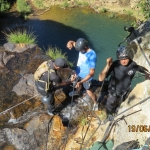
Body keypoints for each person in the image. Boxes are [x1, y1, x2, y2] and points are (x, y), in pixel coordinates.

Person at [99, 46, 150, 115]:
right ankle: (109, 117)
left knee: (120, 107)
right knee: (109, 107)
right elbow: (101, 78)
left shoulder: (134, 65)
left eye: (126, 58)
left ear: (129, 57)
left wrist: (147, 75)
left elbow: (145, 70)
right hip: (113, 93)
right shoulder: (115, 65)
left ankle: (117, 113)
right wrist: (108, 66)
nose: (123, 61)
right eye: (121, 59)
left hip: (125, 93)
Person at [66, 38, 98, 110]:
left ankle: (96, 102)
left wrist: (81, 82)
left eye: (81, 50)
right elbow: (73, 42)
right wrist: (69, 42)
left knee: (89, 91)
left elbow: (91, 73)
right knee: (76, 83)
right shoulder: (81, 46)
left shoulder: (92, 56)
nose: (80, 51)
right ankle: (77, 92)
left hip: (86, 76)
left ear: (85, 47)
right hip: (78, 72)